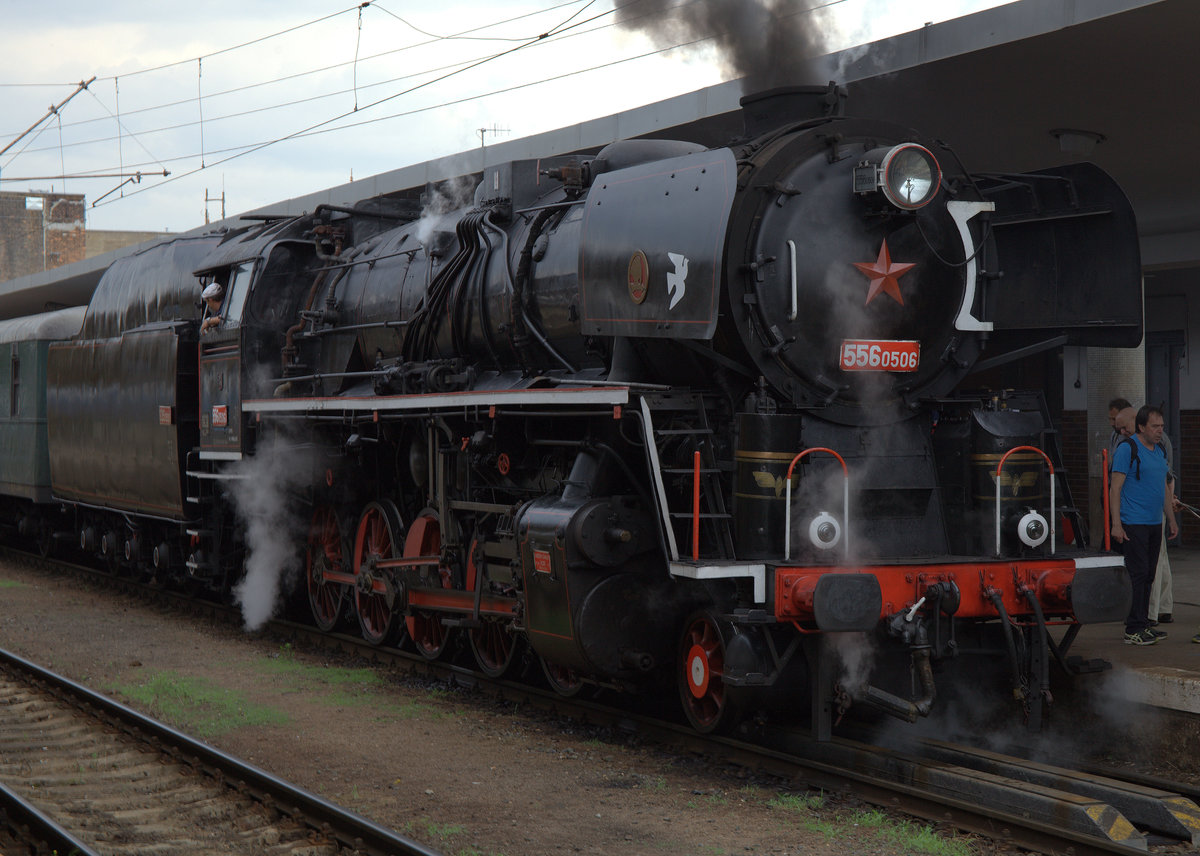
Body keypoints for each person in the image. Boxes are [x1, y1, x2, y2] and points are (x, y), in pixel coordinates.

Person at [1110, 405, 1178, 645]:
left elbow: (1163, 488)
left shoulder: (1159, 450)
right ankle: (1133, 627)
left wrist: (1170, 518)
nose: (1160, 431)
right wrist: (1116, 524)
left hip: (1152, 522)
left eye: (1161, 426)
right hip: (1133, 521)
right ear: (1141, 427)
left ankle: (1144, 623)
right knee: (1138, 574)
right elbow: (1115, 488)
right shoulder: (1127, 449)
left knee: (1149, 574)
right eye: (1154, 426)